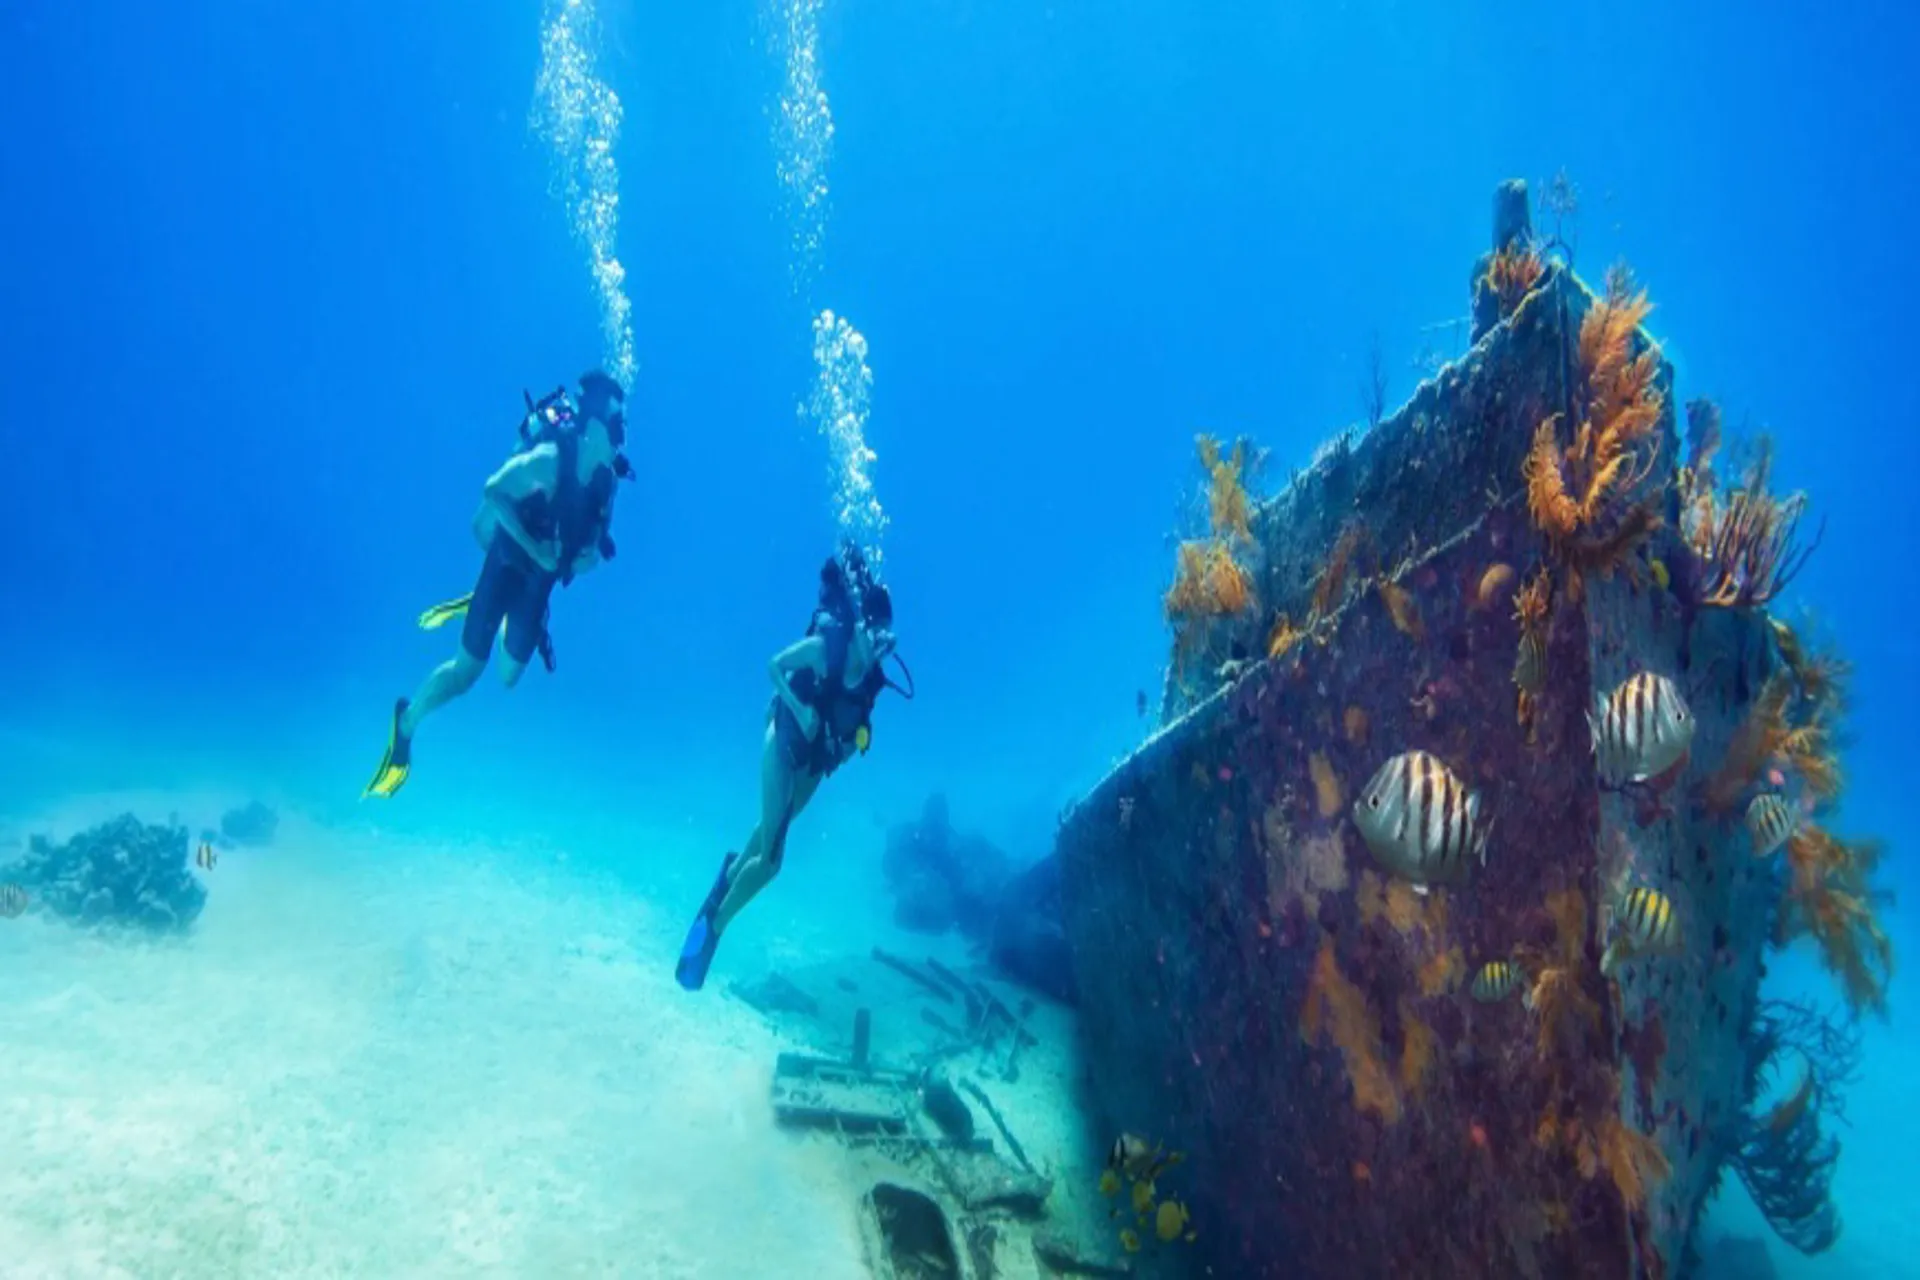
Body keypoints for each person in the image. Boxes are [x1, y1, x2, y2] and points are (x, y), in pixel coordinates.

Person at [363, 370, 631, 798]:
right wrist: (535, 548)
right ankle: (406, 724)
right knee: (466, 673)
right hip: (508, 563)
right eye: (618, 421)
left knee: (508, 676)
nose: (623, 433)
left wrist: (584, 559)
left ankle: (494, 611)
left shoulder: (607, 481)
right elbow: (493, 490)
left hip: (541, 582)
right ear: (596, 423)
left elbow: (596, 542)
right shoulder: (549, 460)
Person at [676, 543, 914, 990]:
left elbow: (860, 726)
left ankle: (727, 878)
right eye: (876, 635)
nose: (880, 647)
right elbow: (775, 666)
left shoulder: (873, 680)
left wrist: (852, 744)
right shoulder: (826, 649)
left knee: (768, 832)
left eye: (887, 639)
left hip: (815, 764)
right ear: (861, 626)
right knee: (771, 861)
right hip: (784, 741)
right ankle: (714, 927)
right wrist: (800, 711)